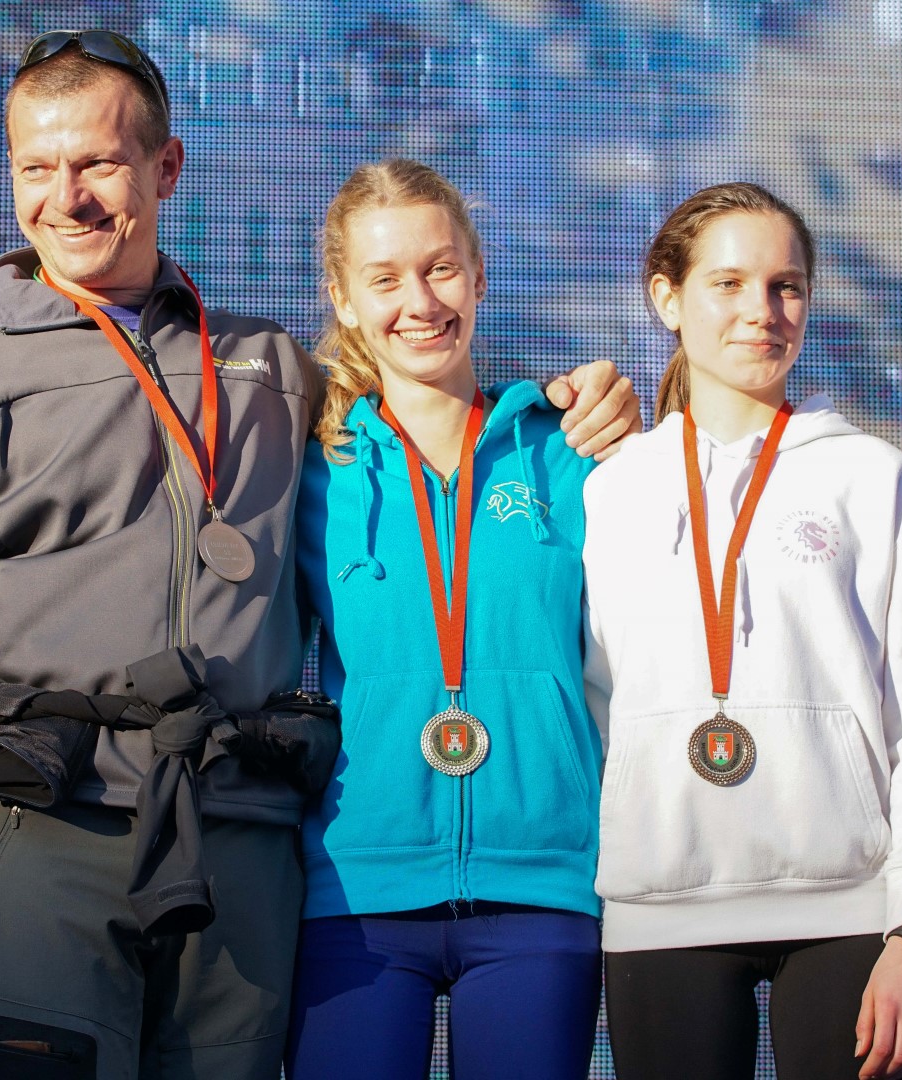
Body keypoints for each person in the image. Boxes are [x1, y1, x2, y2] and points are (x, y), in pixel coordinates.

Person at [0, 30, 639, 1080]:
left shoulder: (271, 372)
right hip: (45, 824)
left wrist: (582, 403)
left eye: (99, 163)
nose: (67, 198)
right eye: (36, 168)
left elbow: (425, 407)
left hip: (240, 846)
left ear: (166, 168)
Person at [580, 182, 902, 1080]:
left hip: (850, 913)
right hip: (659, 905)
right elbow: (589, 702)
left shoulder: (878, 481)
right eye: (728, 283)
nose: (762, 311)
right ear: (666, 297)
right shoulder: (607, 486)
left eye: (785, 286)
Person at [286, 159, 604, 1080]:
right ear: (344, 301)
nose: (420, 303)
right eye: (384, 279)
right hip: (356, 886)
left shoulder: (572, 452)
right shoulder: (309, 472)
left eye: (440, 269)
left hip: (541, 881)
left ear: (479, 274)